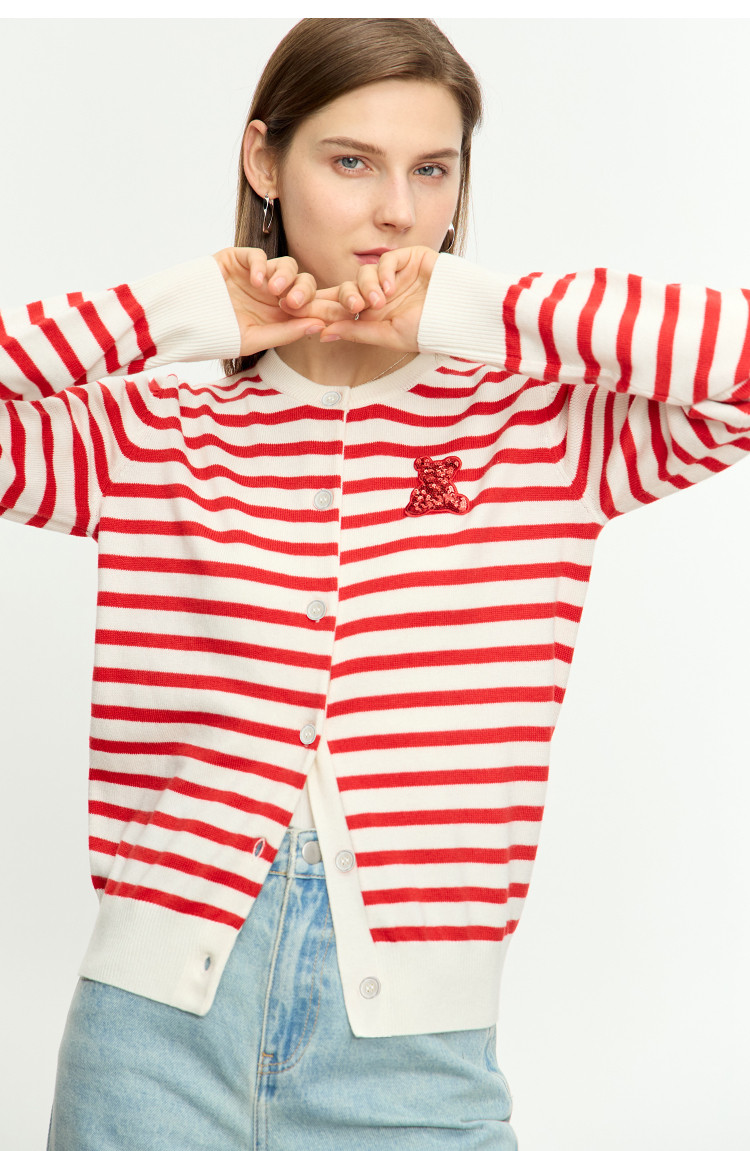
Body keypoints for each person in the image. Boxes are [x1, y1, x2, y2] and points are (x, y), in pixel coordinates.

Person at [2, 16, 749, 1151]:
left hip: (414, 1073)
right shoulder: (154, 431)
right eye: (352, 161)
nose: (397, 209)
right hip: (150, 1052)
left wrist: (471, 311)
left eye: (432, 170)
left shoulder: (547, 432)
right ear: (265, 161)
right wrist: (180, 311)